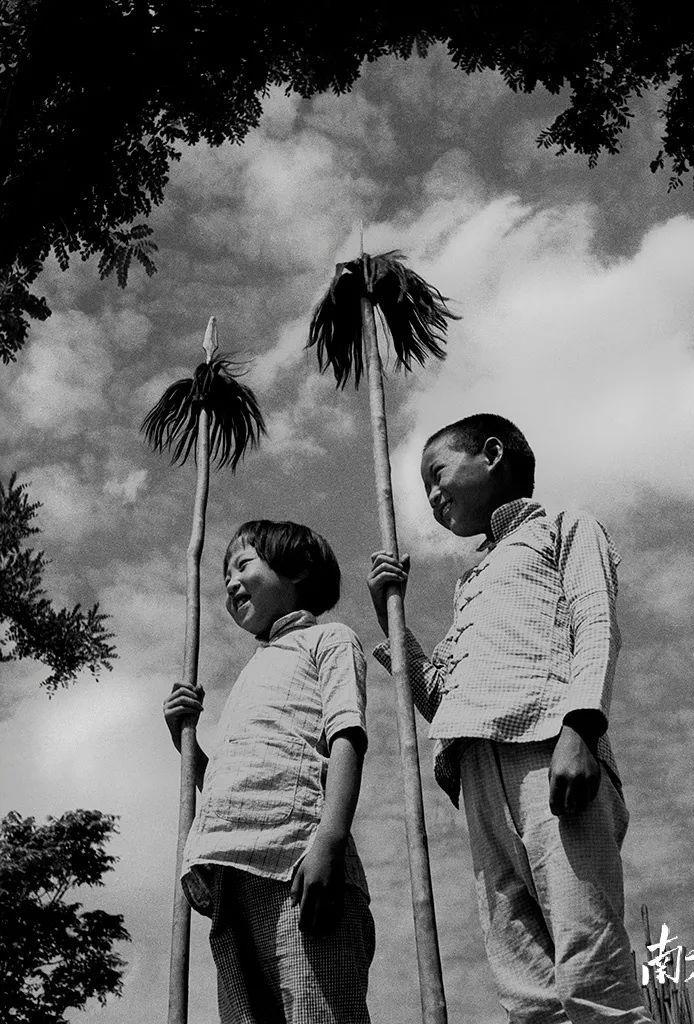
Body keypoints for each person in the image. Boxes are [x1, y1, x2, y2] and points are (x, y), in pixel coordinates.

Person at [368, 413, 652, 1024]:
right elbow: (443, 701)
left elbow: (595, 623)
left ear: (492, 454)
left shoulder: (563, 528)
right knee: (526, 990)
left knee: (589, 960)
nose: (432, 495)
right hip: (476, 776)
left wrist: (581, 730)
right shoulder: (471, 581)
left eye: (438, 473)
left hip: (550, 753)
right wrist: (394, 623)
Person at [164, 519, 374, 1024]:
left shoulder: (328, 640)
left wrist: (329, 840)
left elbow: (346, 735)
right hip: (230, 875)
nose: (231, 583)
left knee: (317, 1011)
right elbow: (232, 787)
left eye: (243, 565)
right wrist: (185, 742)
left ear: (297, 570)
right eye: (224, 577)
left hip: (298, 862)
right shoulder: (252, 671)